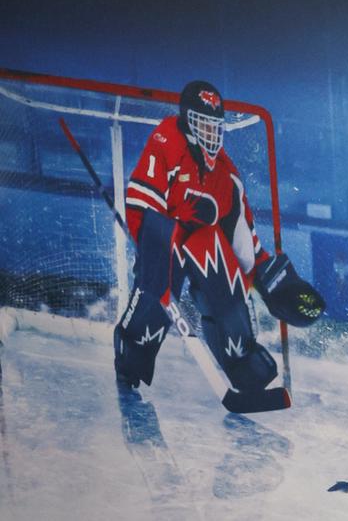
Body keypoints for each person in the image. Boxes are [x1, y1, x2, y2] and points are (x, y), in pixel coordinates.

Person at [115, 79, 323, 414]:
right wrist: (155, 239)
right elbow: (142, 200)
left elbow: (244, 239)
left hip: (195, 243)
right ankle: (131, 357)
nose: (211, 135)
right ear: (187, 122)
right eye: (203, 126)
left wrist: (269, 280)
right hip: (163, 235)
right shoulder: (167, 138)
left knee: (219, 262)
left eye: (216, 127)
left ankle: (241, 361)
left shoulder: (226, 176)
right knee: (156, 291)